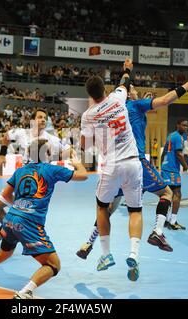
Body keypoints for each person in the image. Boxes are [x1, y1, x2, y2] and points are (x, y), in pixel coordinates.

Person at [76, 68, 188, 261]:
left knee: (107, 207)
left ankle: (90, 243)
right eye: (133, 88)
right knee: (165, 193)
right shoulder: (134, 104)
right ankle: (157, 231)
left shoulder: (108, 108)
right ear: (130, 94)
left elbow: (123, 84)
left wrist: (127, 70)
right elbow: (165, 100)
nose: (133, 90)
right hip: (136, 162)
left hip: (113, 165)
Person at [0, 139, 88, 299]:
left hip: (11, 218)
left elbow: (6, 195)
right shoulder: (51, 170)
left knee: (2, 253)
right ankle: (25, 292)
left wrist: (21, 206)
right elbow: (83, 176)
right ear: (47, 154)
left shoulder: (20, 171)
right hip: (30, 223)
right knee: (53, 265)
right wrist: (77, 162)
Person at [0, 108, 71, 259]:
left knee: (15, 214)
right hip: (22, 179)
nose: (43, 120)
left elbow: (68, 150)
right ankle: (14, 231)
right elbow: (5, 137)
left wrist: (53, 158)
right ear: (32, 120)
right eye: (39, 117)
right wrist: (2, 154)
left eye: (45, 117)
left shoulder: (50, 138)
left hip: (37, 184)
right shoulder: (21, 133)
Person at [81, 58, 143, 280]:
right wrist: (127, 68)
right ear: (105, 89)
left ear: (90, 95)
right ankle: (134, 254)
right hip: (133, 163)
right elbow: (125, 81)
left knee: (101, 207)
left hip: (110, 166)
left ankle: (106, 254)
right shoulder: (118, 98)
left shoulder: (87, 115)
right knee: (135, 211)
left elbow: (84, 146)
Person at [160, 119, 188, 230]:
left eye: (187, 126)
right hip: (172, 170)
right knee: (177, 194)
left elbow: (165, 152)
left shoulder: (170, 135)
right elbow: (179, 155)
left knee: (168, 194)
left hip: (166, 168)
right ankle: (173, 221)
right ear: (178, 125)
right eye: (183, 125)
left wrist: (162, 165)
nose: (186, 127)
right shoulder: (178, 137)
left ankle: (165, 220)